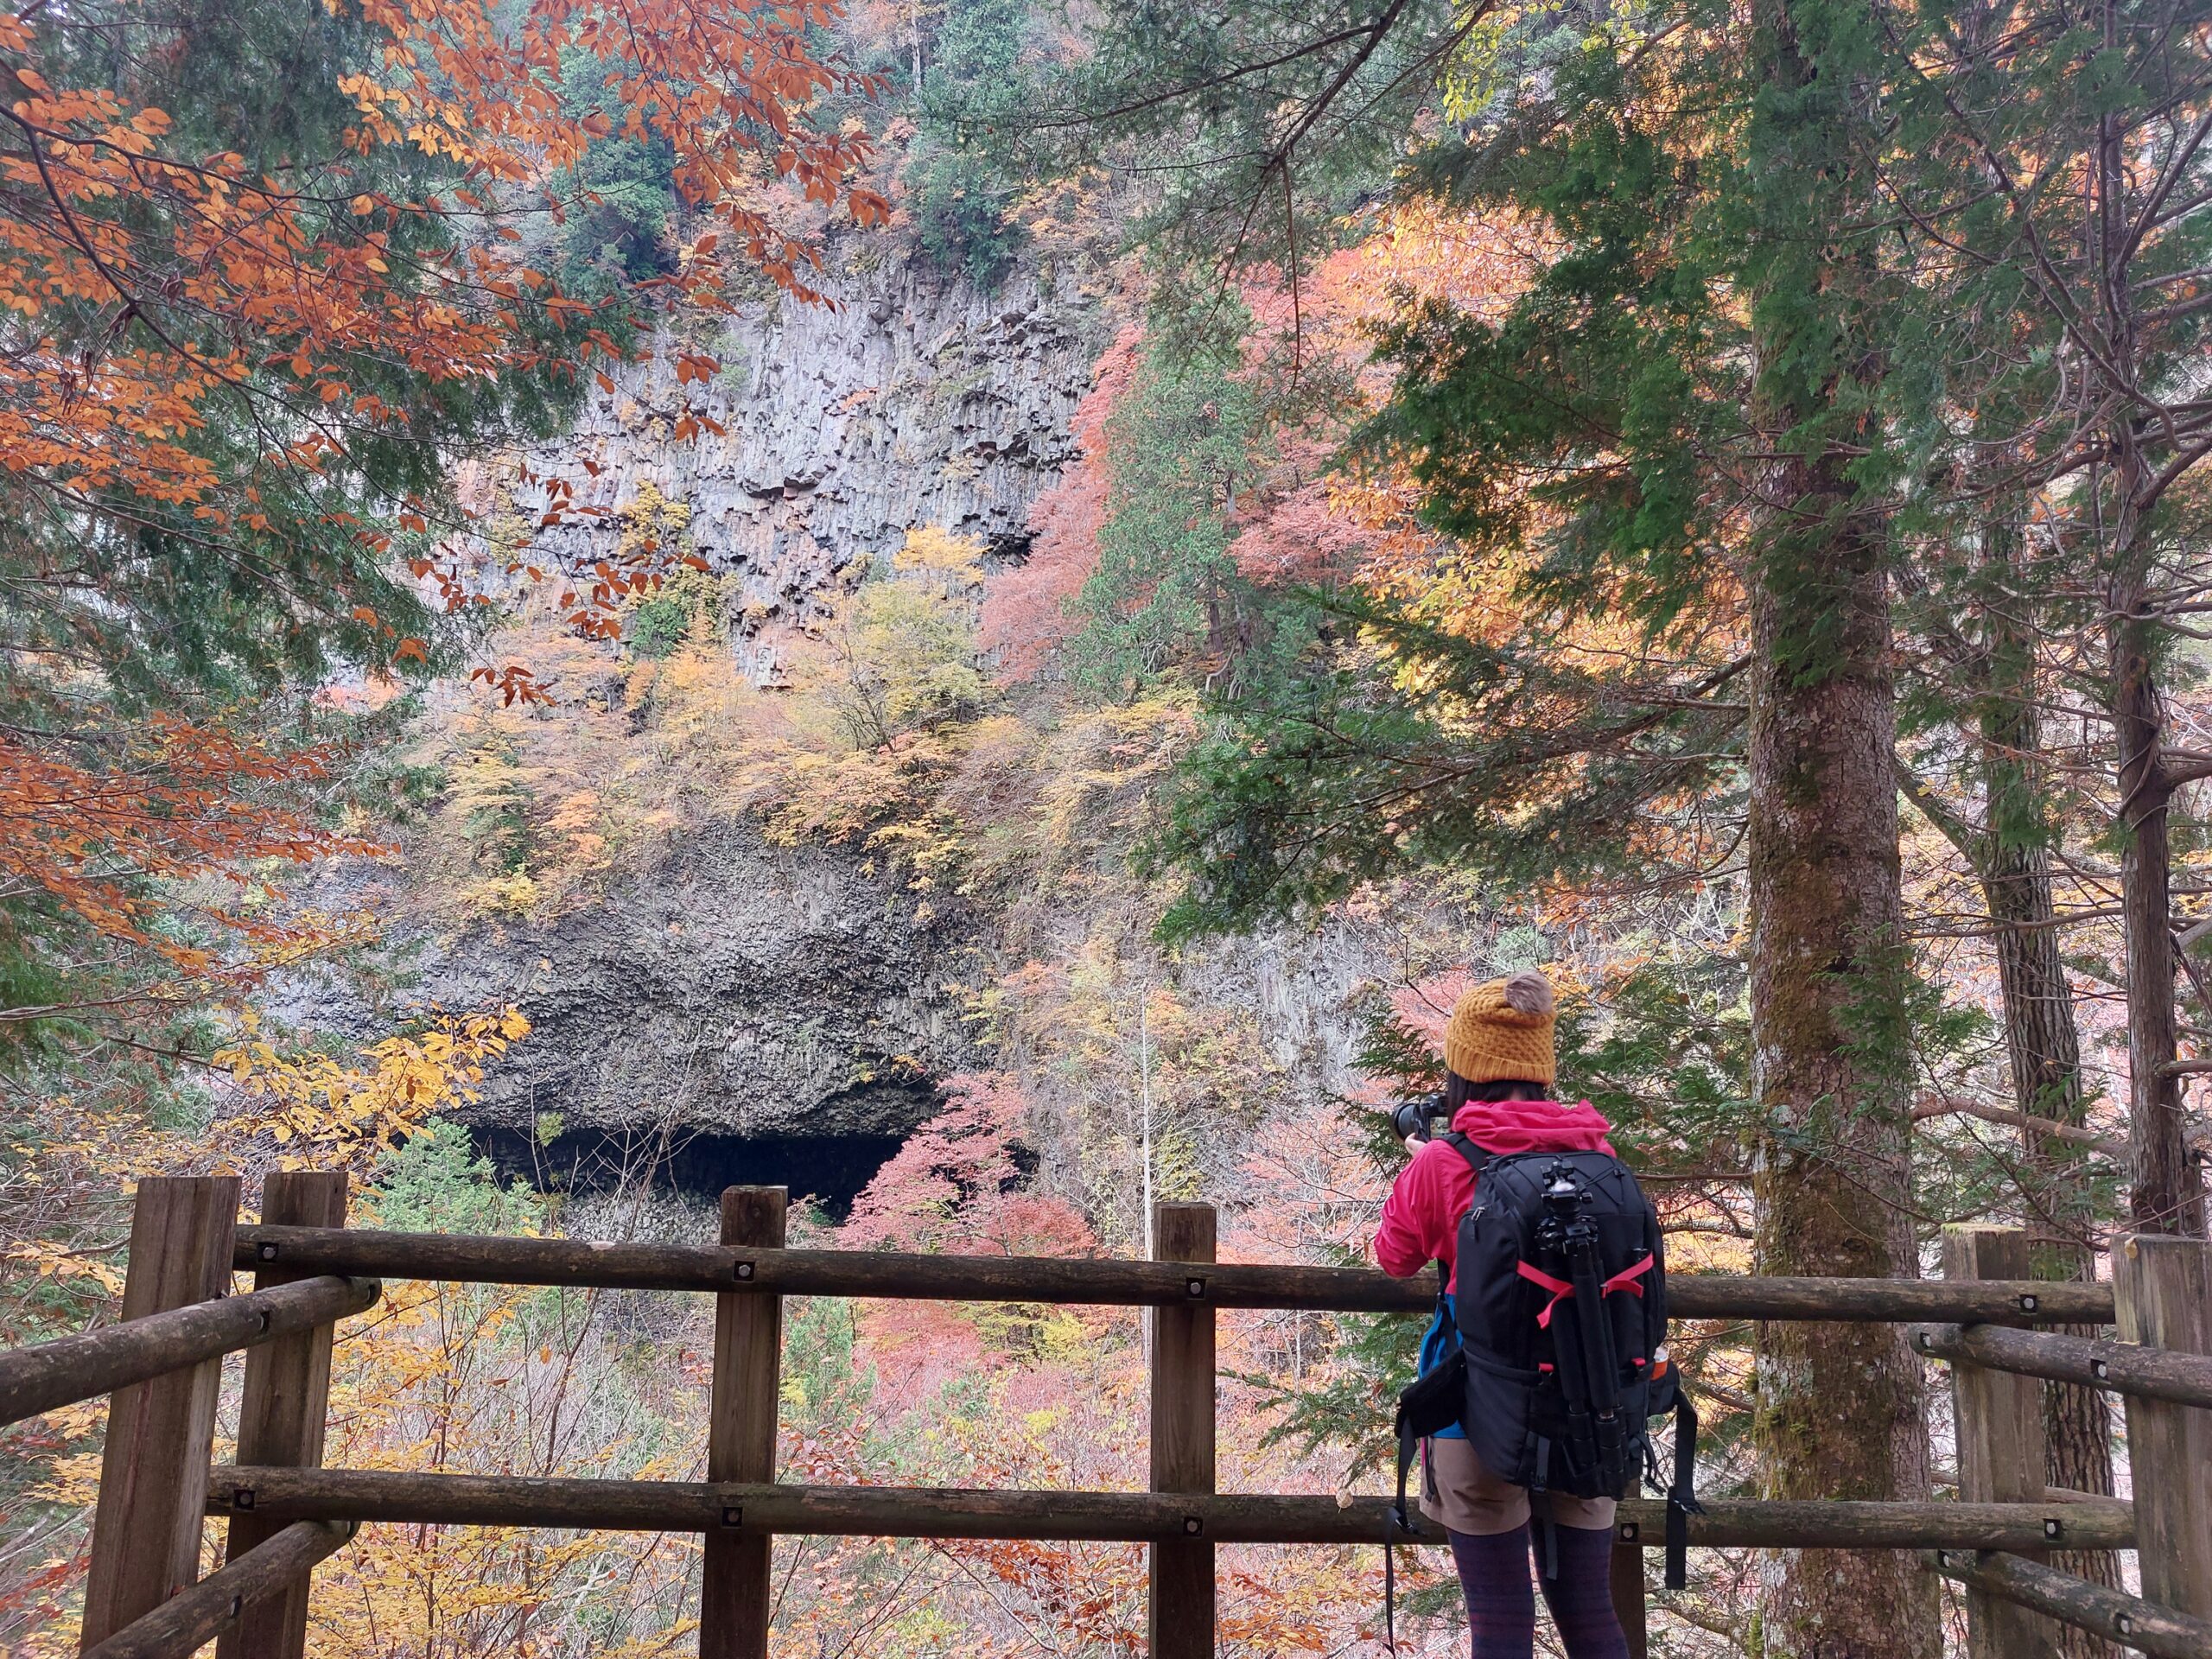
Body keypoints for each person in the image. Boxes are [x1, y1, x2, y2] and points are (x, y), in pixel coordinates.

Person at [1373, 970, 1630, 1659]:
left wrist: (1423, 1158)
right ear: (1542, 1071)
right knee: (1589, 1610)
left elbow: (1394, 1256)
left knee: (1500, 1622)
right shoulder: (1595, 1155)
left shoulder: (1443, 1163)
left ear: (1462, 1069)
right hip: (1588, 1406)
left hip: (1476, 1408)